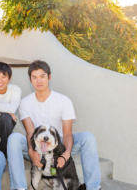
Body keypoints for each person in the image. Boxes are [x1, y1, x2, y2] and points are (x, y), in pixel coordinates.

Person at [7, 60, 101, 190]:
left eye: (42, 76)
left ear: (49, 77)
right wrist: (31, 151)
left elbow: (67, 133)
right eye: (34, 77)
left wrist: (66, 153)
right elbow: (30, 132)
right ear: (30, 80)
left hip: (59, 146)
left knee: (88, 137)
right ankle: (19, 188)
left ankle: (94, 187)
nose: (38, 81)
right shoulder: (24, 103)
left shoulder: (63, 101)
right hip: (37, 145)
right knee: (14, 138)